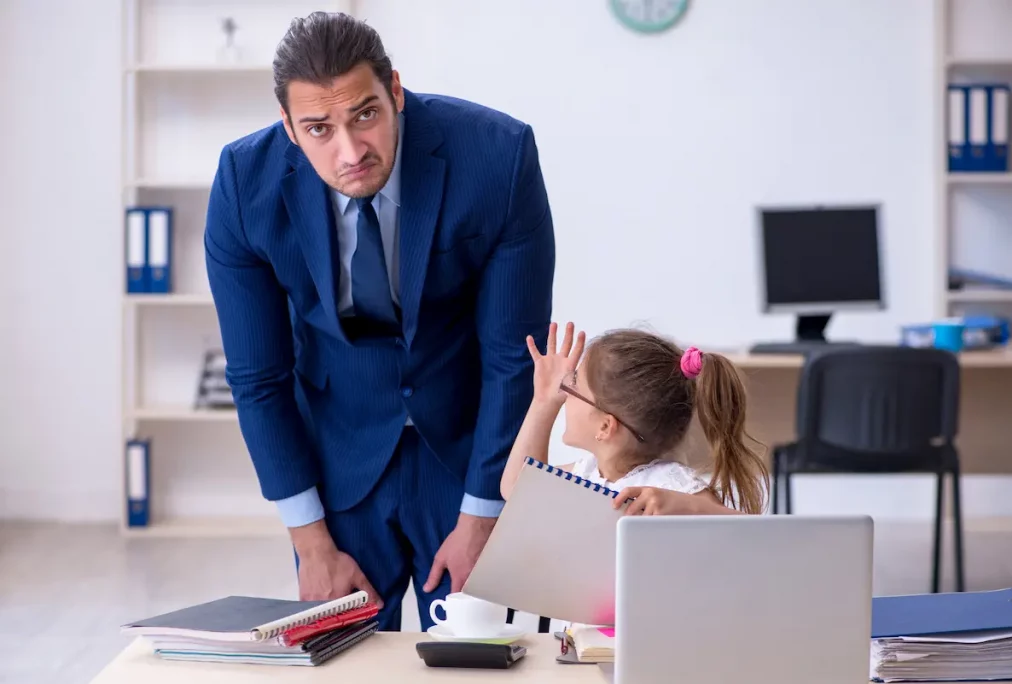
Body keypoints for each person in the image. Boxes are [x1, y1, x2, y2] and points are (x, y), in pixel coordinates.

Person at [204, 11, 555, 632]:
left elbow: (511, 359)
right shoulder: (243, 185)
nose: (351, 151)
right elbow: (258, 377)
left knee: (482, 661)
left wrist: (483, 517)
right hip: (340, 463)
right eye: (318, 129)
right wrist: (312, 545)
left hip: (468, 454)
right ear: (288, 127)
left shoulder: (498, 157)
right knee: (348, 663)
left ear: (395, 90)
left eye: (364, 114)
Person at [500, 323, 770, 515]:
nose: (563, 392)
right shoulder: (587, 473)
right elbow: (517, 491)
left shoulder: (671, 485)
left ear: (606, 426)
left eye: (573, 385)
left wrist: (693, 506)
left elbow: (753, 534)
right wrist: (543, 402)